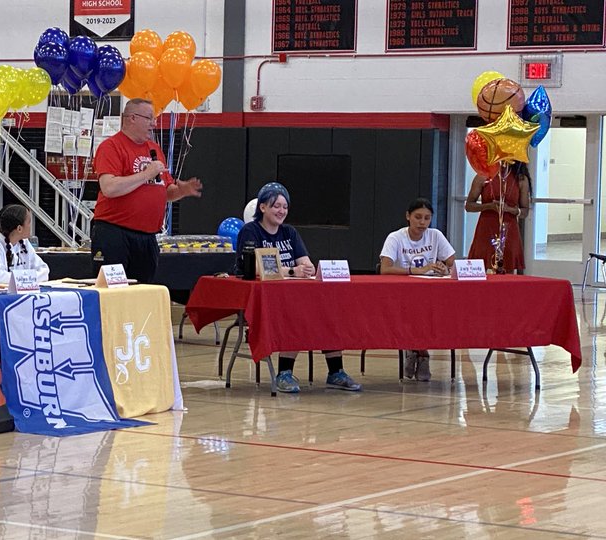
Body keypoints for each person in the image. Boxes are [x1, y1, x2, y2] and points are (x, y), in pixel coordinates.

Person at [234, 182, 362, 393]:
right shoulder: (251, 231)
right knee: (296, 315)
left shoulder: (289, 232)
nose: (281, 211)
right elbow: (257, 267)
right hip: (264, 299)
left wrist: (305, 268)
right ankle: (284, 372)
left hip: (293, 295)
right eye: (276, 205)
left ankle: (335, 370)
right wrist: (292, 271)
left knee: (327, 311)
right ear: (263, 207)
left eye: (285, 206)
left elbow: (306, 263)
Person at [91, 98, 203, 283]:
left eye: (155, 118)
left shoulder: (154, 149)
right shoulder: (111, 147)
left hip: (147, 237)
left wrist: (182, 191)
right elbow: (109, 188)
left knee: (143, 292)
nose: (154, 124)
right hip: (115, 233)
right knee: (113, 292)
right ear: (132, 118)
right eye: (149, 118)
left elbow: (165, 191)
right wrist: (146, 174)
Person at [379, 198, 457, 381]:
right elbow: (385, 268)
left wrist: (445, 270)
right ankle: (420, 353)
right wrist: (414, 270)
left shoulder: (435, 235)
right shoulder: (396, 237)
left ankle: (417, 351)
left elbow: (455, 264)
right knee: (417, 310)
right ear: (408, 216)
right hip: (401, 293)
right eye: (418, 217)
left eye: (427, 218)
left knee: (430, 308)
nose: (422, 222)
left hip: (430, 293)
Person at [466, 162, 531, 273]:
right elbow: (469, 206)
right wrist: (489, 206)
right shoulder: (483, 176)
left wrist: (509, 209)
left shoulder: (520, 178)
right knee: (483, 266)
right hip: (487, 227)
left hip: (509, 229)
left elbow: (525, 211)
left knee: (508, 267)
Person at [0, 204, 50, 287]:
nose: (31, 226)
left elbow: (44, 271)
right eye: (29, 222)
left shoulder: (23, 241)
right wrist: (29, 278)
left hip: (19, 293)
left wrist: (24, 279)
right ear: (19, 228)